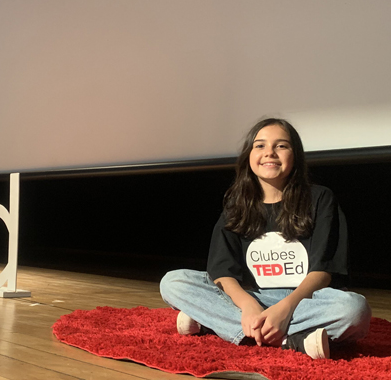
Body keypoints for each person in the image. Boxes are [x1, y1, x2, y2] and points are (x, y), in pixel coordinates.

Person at [159, 118, 371, 359]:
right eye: (260, 145)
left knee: (353, 310)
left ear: (295, 155)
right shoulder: (237, 204)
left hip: (305, 300)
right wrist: (249, 307)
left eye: (281, 146)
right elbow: (222, 273)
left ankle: (216, 323)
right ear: (249, 156)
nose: (270, 152)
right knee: (173, 282)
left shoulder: (320, 198)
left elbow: (323, 272)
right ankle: (290, 340)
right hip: (254, 297)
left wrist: (285, 309)